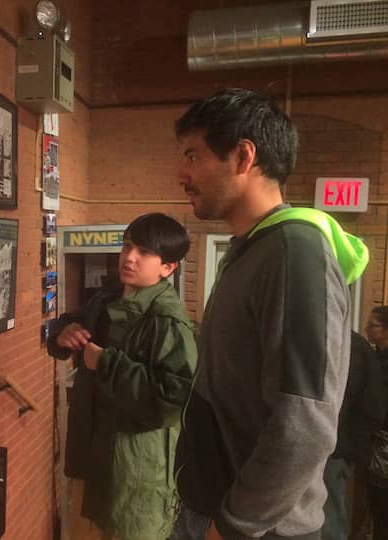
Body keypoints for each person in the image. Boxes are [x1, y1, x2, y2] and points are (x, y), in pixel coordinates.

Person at [171, 88, 369, 540]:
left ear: (243, 156)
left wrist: (234, 525)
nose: (182, 173)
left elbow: (305, 422)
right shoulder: (253, 250)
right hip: (217, 509)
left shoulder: (294, 252)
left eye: (193, 155)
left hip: (257, 528)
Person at [48, 212, 197, 539]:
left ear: (168, 268)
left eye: (144, 252)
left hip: (134, 475)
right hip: (89, 457)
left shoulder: (168, 322)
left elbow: (173, 399)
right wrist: (62, 334)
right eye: (128, 246)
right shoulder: (106, 299)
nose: (130, 257)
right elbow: (69, 323)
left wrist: (106, 364)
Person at [321, 331, 385, 540]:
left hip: (335, 447)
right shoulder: (358, 347)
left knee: (331, 515)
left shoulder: (351, 347)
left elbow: (374, 407)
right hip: (332, 444)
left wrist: (347, 444)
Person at [364, 305, 388, 540]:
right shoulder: (375, 357)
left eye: (373, 326)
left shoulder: (378, 363)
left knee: (380, 506)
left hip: (383, 443)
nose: (366, 329)